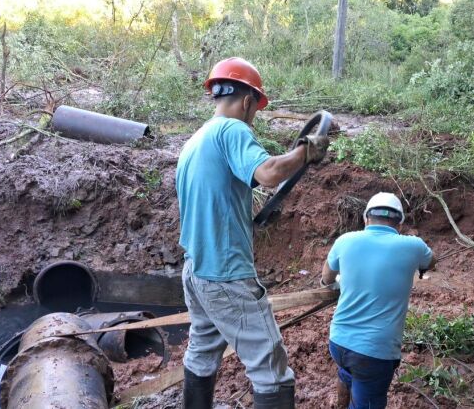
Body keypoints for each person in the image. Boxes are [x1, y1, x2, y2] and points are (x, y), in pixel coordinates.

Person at [175, 57, 329, 409]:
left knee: (202, 350)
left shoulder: (195, 141)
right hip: (226, 273)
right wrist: (306, 151)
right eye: (255, 108)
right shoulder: (233, 130)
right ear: (247, 101)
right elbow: (269, 173)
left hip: (196, 270)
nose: (254, 115)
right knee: (271, 369)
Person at [321, 192, 435, 409]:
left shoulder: (345, 240)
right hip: (375, 352)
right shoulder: (414, 246)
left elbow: (326, 278)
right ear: (399, 223)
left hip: (338, 342)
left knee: (348, 371)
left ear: (366, 219)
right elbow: (432, 262)